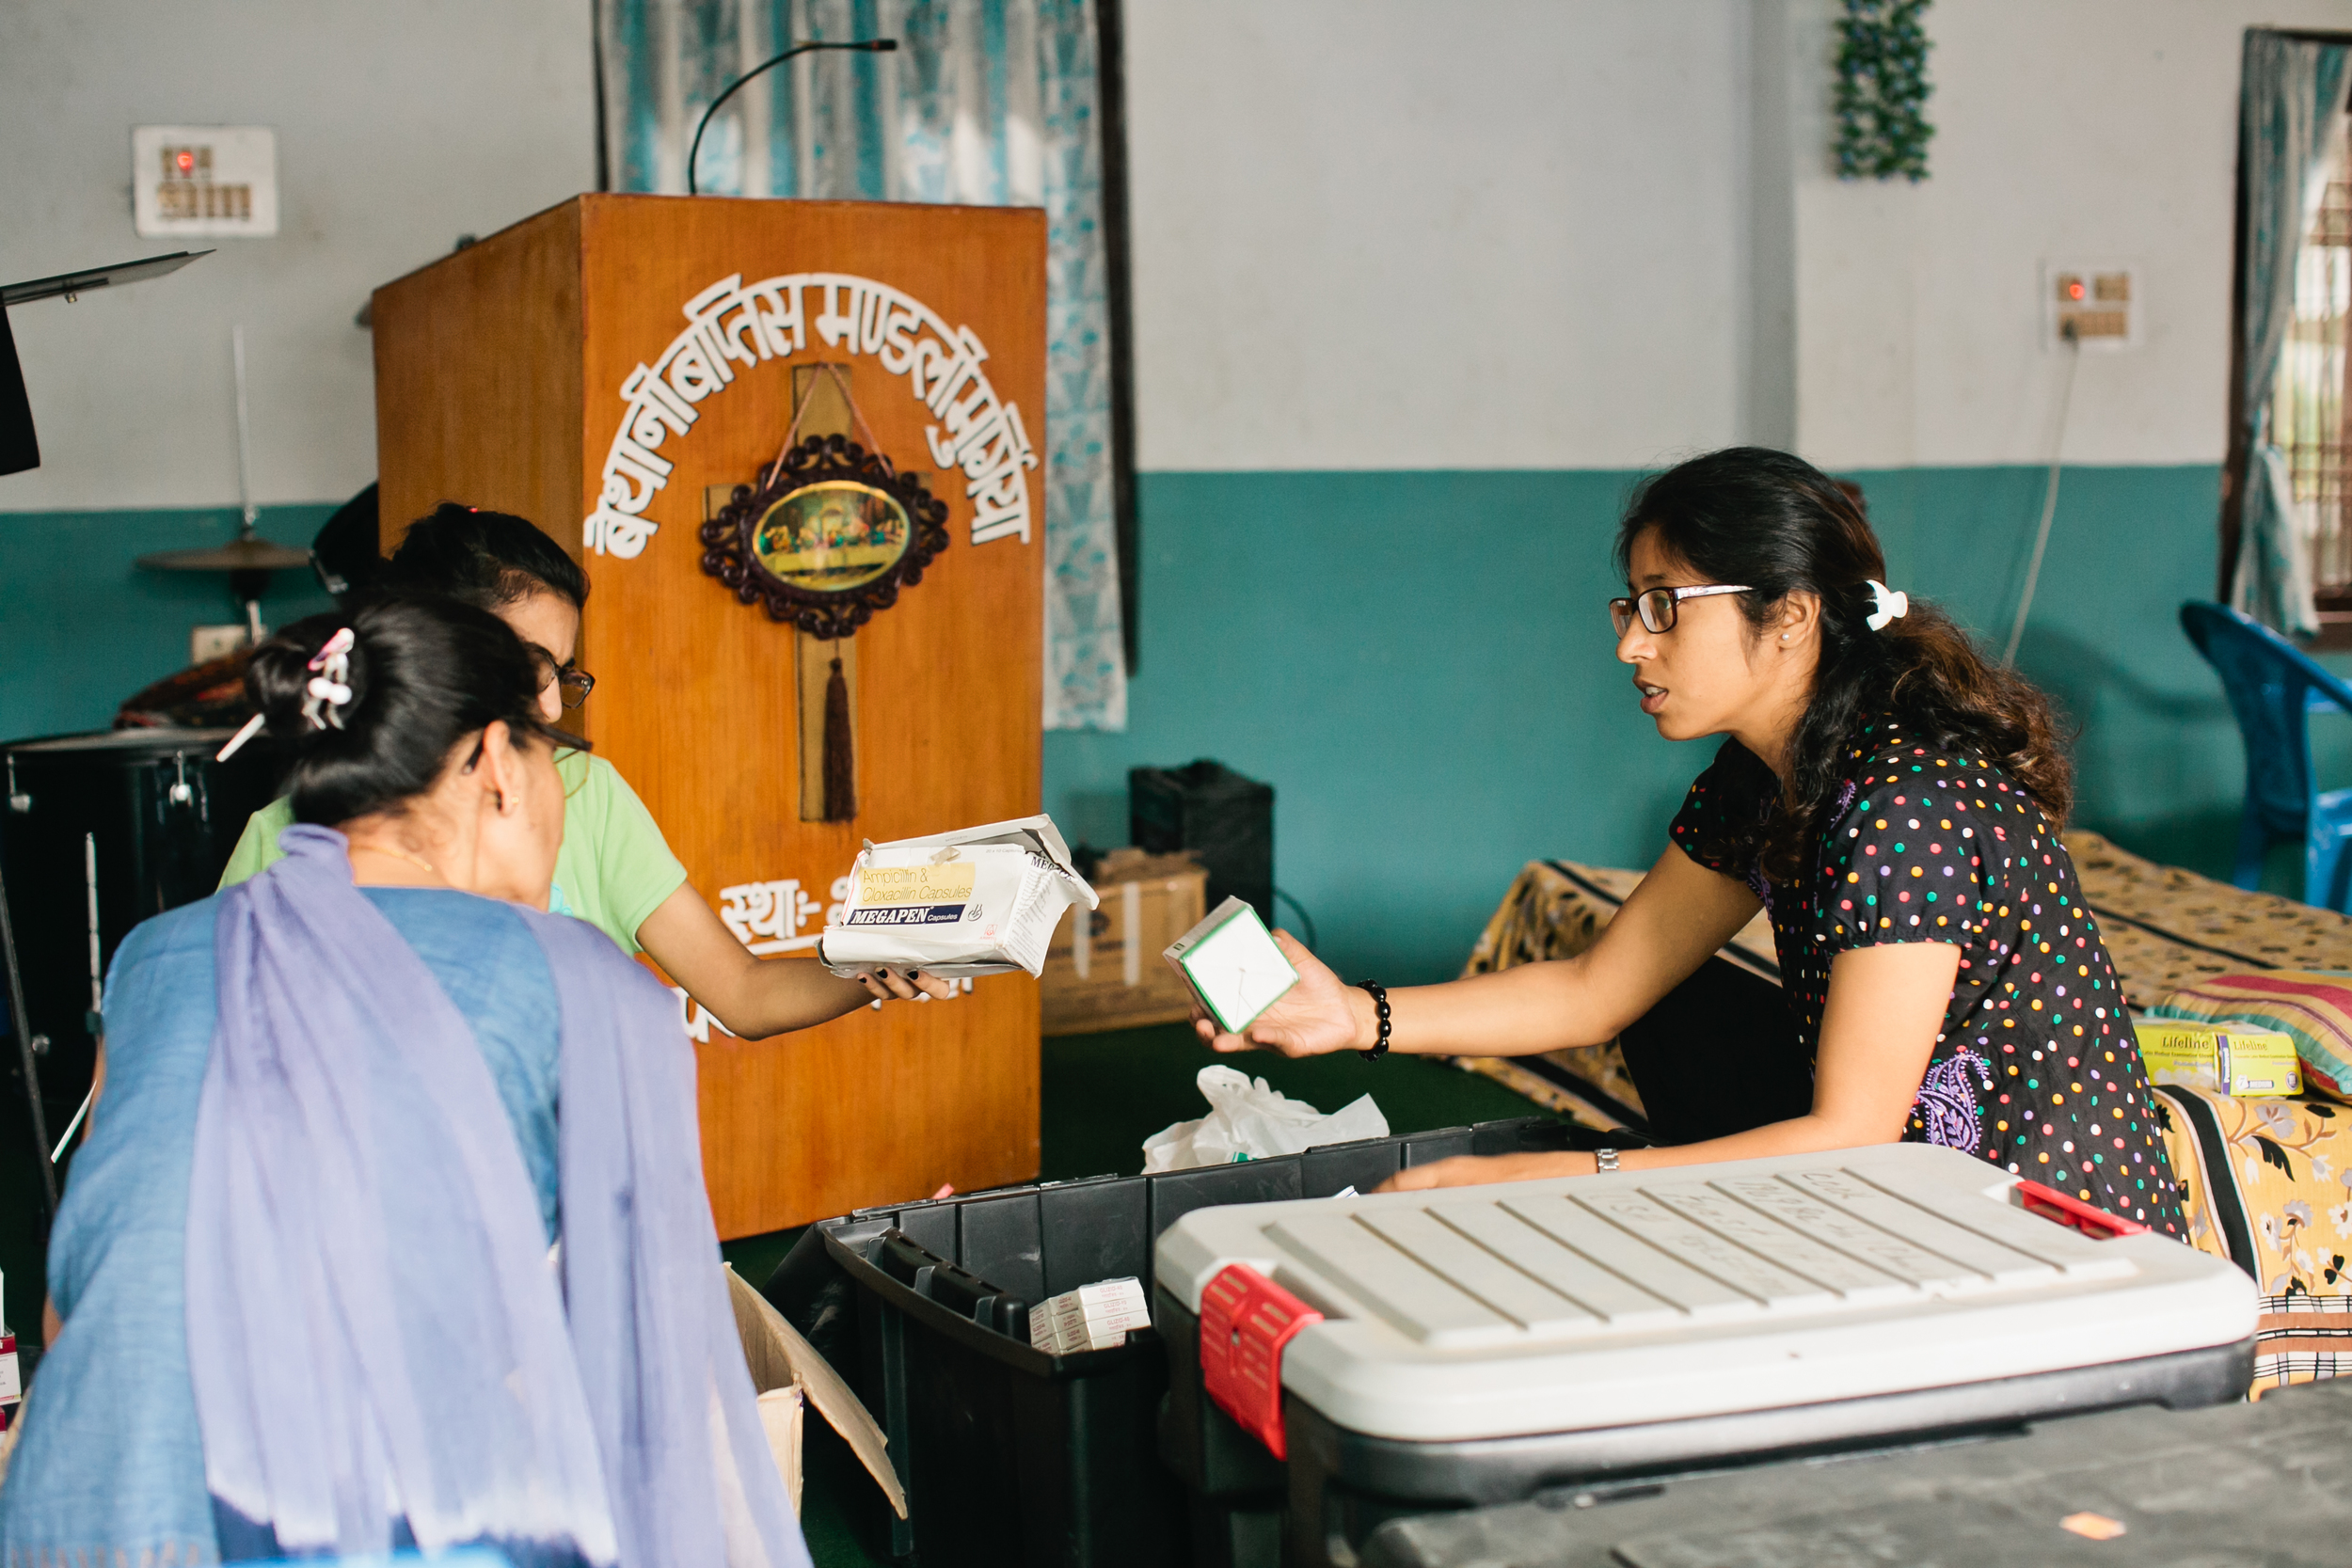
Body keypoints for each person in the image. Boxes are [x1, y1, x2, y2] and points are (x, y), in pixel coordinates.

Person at [0, 600, 811, 1564]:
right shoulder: (582, 982)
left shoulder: (153, 957)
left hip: (80, 1513)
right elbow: (641, 1376)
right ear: (498, 766)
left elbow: (72, 1304)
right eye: (556, 754)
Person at [1202, 448, 2184, 1233]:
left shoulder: (1904, 801)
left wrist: (1554, 1179)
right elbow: (1599, 988)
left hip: (2039, 1225)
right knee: (1680, 1006)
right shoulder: (1760, 772)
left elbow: (1852, 1129)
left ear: (1791, 614)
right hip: (1902, 1175)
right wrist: (1352, 1014)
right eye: (1631, 606)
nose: (1632, 642)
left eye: (1666, 606)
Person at [220, 501, 946, 1030]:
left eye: (561, 672)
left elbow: (742, 990)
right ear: (435, 647)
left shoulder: (586, 792)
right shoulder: (284, 836)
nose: (550, 706)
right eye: (530, 666)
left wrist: (865, 969)